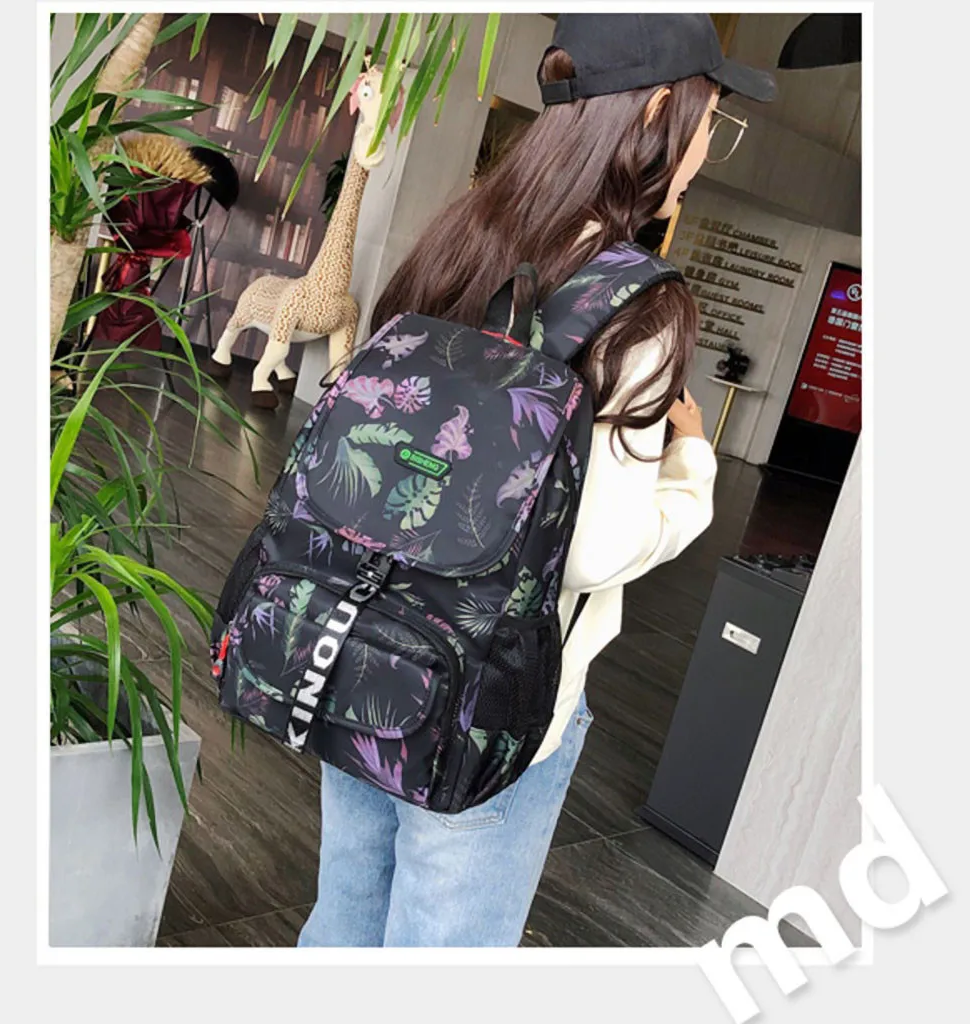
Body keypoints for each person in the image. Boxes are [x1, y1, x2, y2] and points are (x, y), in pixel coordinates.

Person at [297, 12, 777, 948]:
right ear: (656, 113)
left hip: (360, 638)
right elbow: (594, 550)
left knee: (344, 919)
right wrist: (691, 468)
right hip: (493, 695)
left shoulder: (458, 235)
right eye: (711, 118)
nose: (706, 148)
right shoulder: (637, 303)